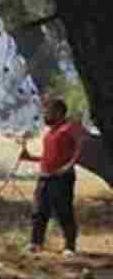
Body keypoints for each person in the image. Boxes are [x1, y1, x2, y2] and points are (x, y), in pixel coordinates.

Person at [19, 97, 86, 256]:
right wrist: (30, 157)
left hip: (62, 178)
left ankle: (69, 246)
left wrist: (68, 166)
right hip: (45, 177)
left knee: (64, 211)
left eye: (47, 112)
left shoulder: (70, 127)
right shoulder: (50, 132)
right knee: (39, 211)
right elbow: (49, 157)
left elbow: (83, 146)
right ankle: (36, 243)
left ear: (58, 112)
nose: (45, 115)